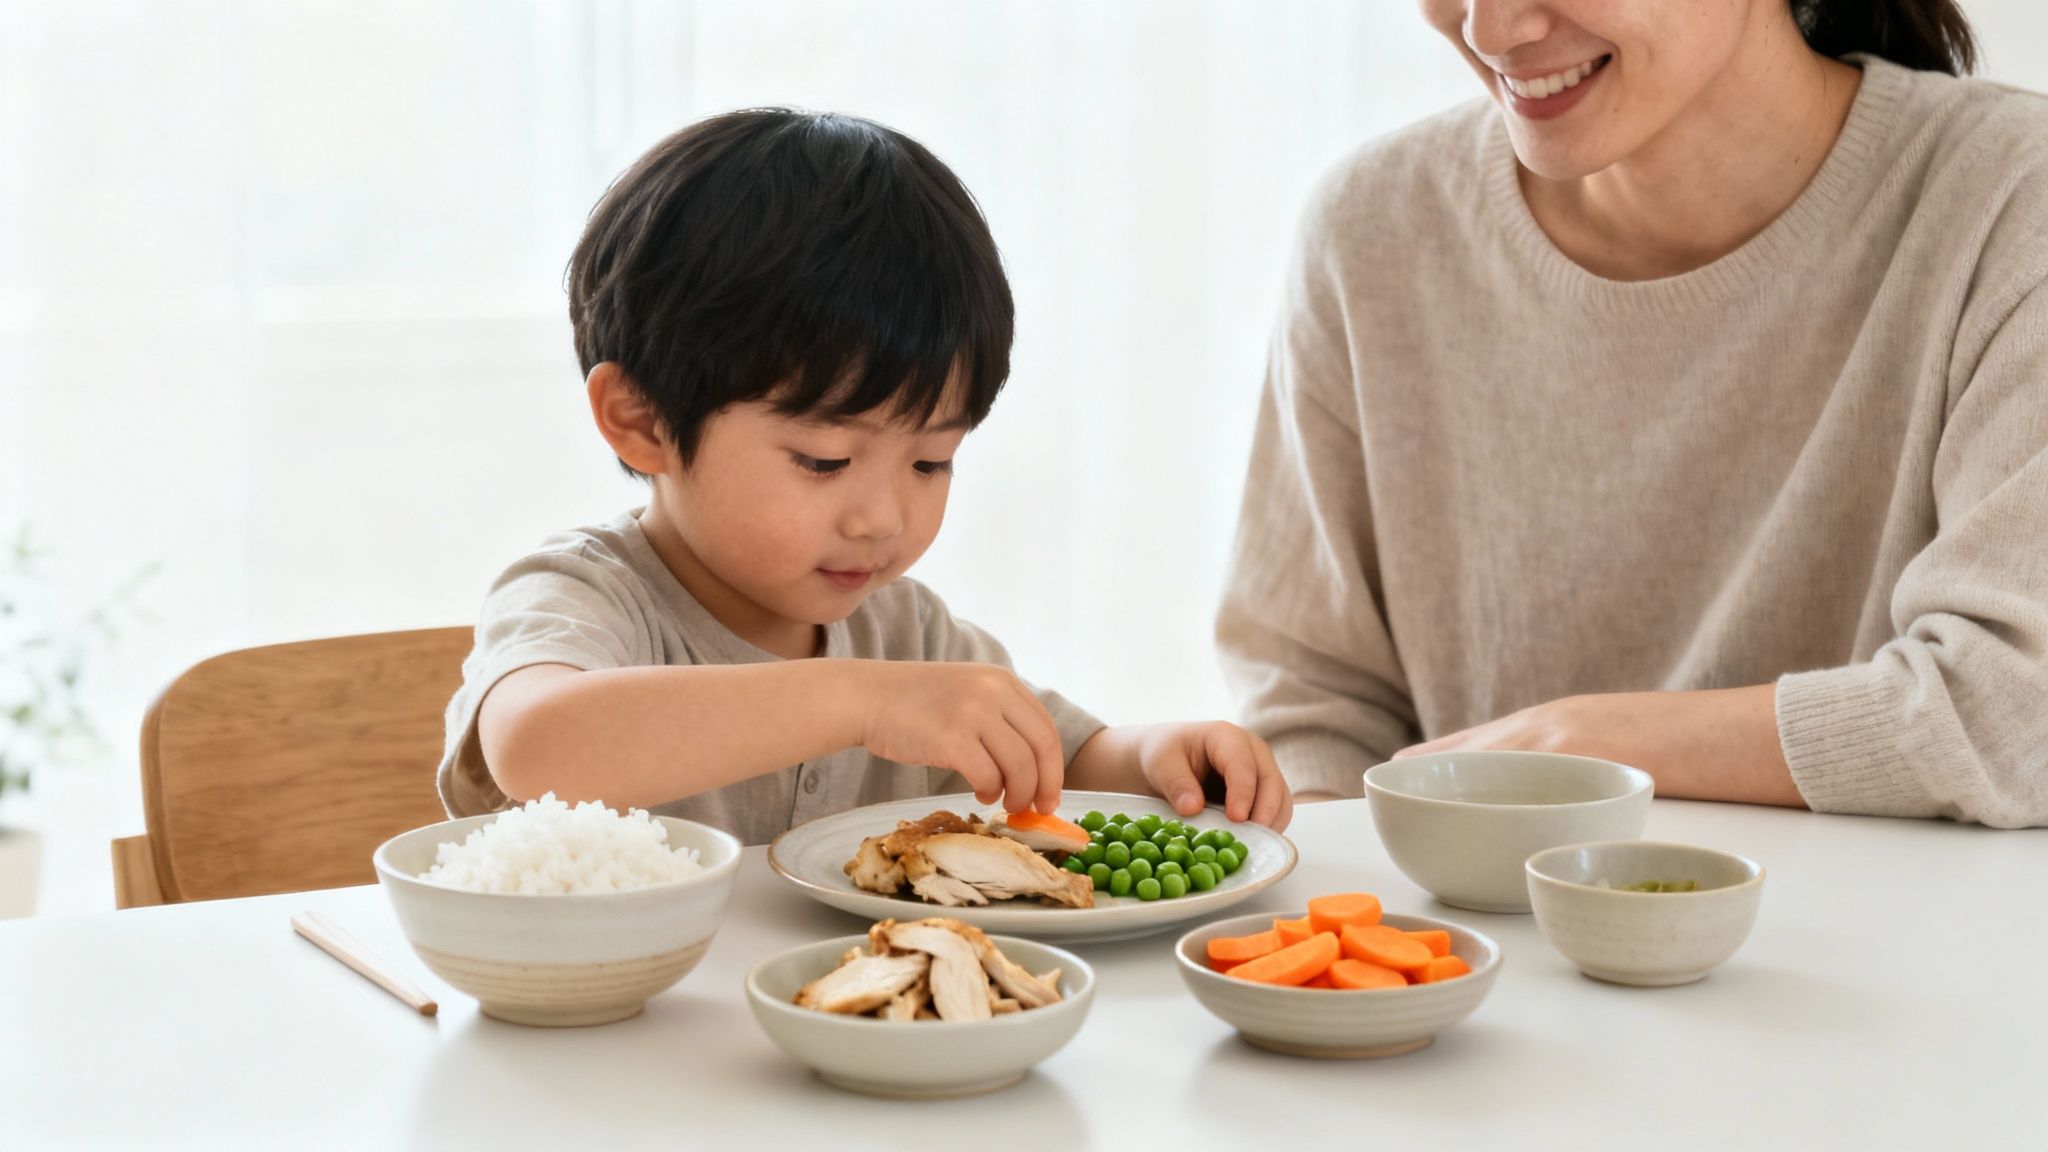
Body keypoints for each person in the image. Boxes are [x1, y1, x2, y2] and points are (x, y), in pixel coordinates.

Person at [1218, 0, 2048, 826]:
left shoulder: (2010, 202)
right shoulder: (1375, 230)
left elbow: (2016, 709)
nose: (1490, 29)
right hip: (1482, 951)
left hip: (1905, 956)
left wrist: (1583, 743)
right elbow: (1314, 706)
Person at [438, 109, 1291, 844]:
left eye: (932, 461)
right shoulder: (589, 596)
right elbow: (539, 746)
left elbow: (1053, 757)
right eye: (825, 460)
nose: (883, 517)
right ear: (643, 419)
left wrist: (1153, 758)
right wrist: (865, 702)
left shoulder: (901, 631)